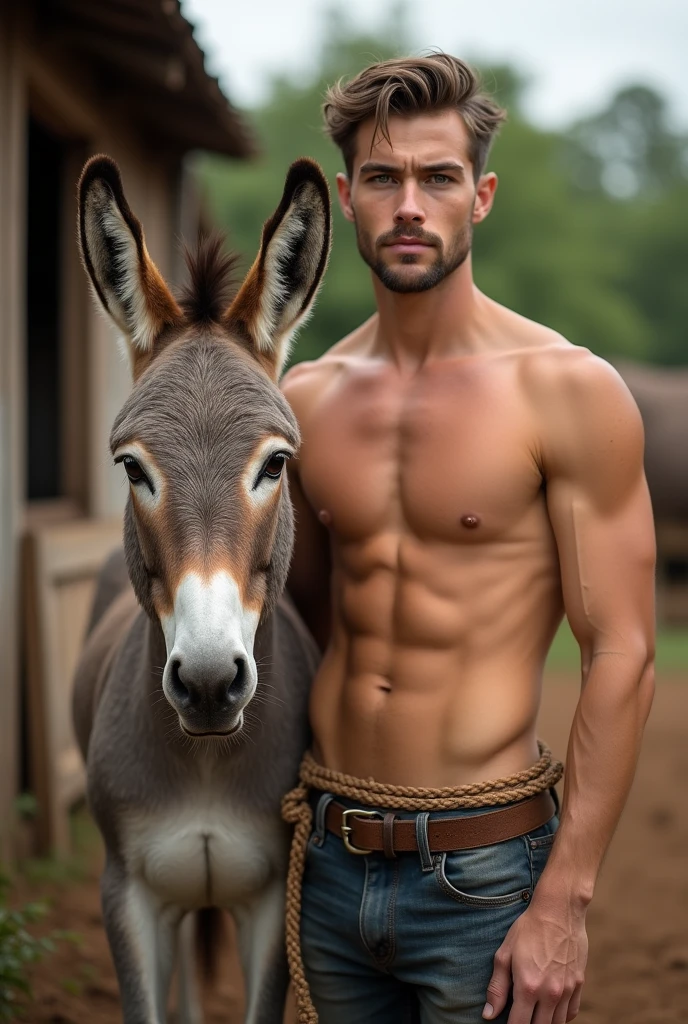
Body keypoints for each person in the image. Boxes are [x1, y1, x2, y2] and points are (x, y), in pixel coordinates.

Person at [280, 54, 655, 1024]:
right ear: (344, 196)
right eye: (383, 177)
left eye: (437, 177)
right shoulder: (304, 402)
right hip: (328, 864)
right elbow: (300, 622)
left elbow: (622, 649)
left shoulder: (565, 390)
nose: (410, 203)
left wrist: (562, 903)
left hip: (484, 878)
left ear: (479, 195)